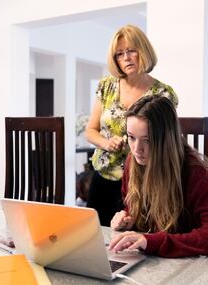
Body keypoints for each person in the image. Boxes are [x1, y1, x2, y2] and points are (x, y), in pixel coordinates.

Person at [109, 95, 208, 257]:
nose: (136, 149)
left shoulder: (194, 171)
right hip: (148, 260)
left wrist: (153, 242)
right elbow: (141, 212)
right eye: (131, 137)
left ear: (166, 140)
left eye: (147, 140)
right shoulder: (131, 163)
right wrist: (128, 218)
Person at [85, 25, 178, 226]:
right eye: (119, 54)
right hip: (104, 177)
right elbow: (90, 131)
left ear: (143, 50)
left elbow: (168, 142)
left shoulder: (163, 94)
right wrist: (106, 143)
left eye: (131, 51)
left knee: (134, 242)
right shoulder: (106, 86)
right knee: (93, 239)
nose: (126, 58)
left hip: (143, 181)